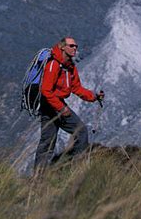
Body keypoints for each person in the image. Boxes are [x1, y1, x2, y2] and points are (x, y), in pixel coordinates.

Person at [34, 36, 104, 170]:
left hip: (58, 105)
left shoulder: (70, 67)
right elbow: (46, 91)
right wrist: (61, 108)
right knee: (49, 142)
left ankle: (72, 168)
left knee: (79, 132)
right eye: (71, 46)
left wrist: (94, 96)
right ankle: (41, 177)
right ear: (62, 47)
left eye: (75, 46)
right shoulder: (53, 64)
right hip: (49, 106)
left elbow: (77, 88)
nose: (75, 48)